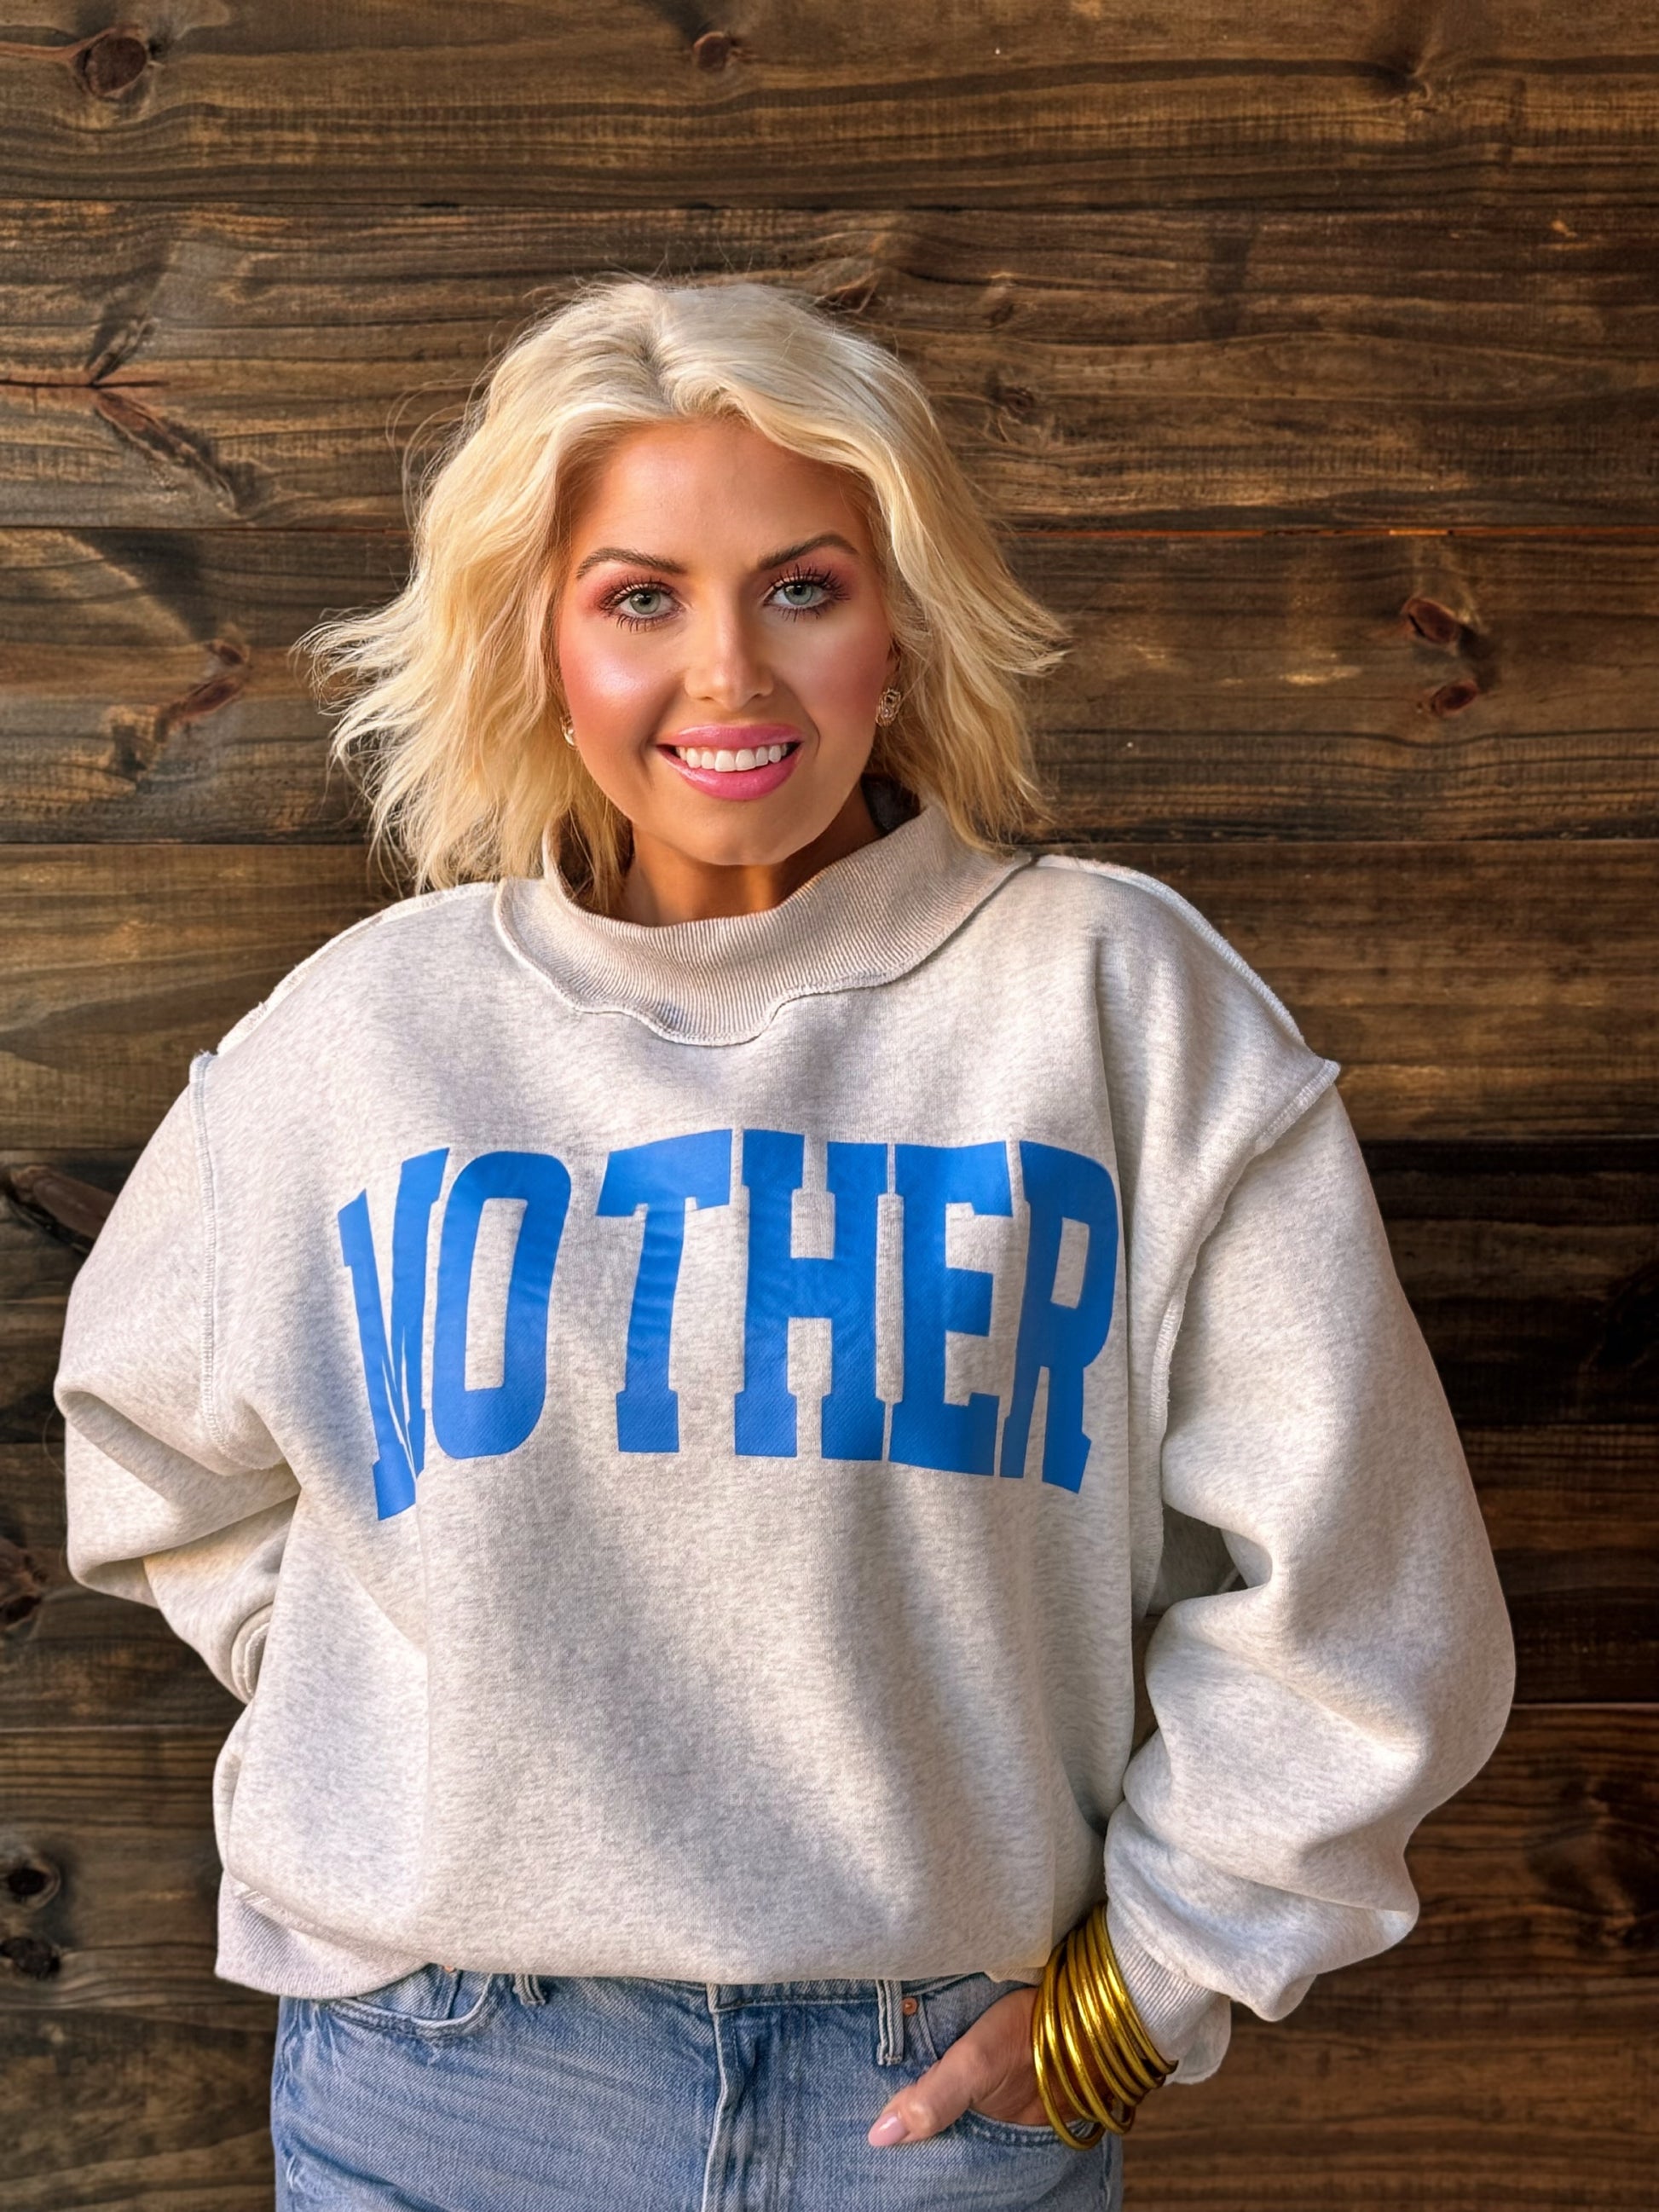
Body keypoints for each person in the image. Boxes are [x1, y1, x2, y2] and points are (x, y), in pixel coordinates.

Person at [53, 276, 1515, 2212]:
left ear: (900, 623)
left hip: (938, 2101)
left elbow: (1367, 1598)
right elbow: (150, 1457)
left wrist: (1134, 1993)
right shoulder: (360, 1042)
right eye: (639, 595)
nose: (729, 675)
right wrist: (404, 1688)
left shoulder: (1112, 1008)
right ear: (539, 640)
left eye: (802, 586)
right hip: (447, 2087)